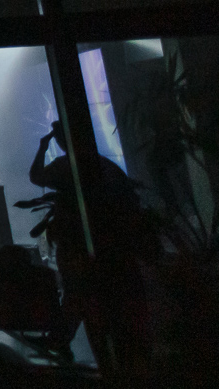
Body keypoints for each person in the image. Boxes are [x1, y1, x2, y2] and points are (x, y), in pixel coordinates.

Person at [26, 120, 152, 367]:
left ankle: (66, 343)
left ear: (61, 140)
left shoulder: (67, 165)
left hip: (78, 243)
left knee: (77, 290)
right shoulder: (105, 165)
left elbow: (36, 176)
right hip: (110, 243)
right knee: (84, 294)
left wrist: (42, 147)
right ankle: (64, 340)